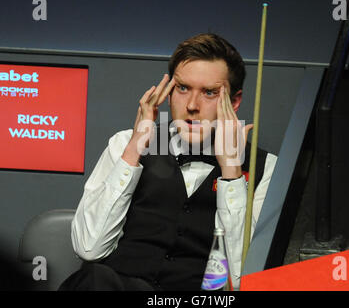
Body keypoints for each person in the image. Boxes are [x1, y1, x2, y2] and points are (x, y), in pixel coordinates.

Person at [59, 33, 277, 291]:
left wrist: (231, 172)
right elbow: (89, 248)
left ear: (235, 101)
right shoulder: (125, 144)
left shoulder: (266, 168)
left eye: (209, 93)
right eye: (183, 88)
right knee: (94, 280)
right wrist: (134, 149)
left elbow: (241, 280)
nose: (192, 105)